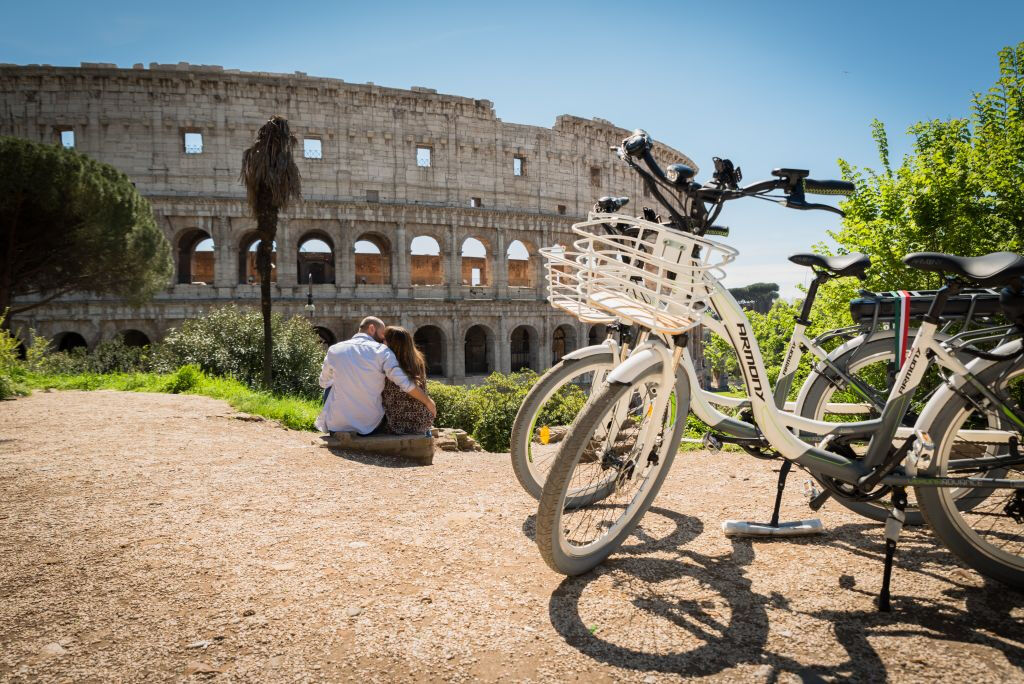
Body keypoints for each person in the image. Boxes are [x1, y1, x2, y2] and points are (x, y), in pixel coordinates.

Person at [315, 316, 436, 435]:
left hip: (336, 426)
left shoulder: (334, 349)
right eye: (382, 333)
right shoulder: (383, 351)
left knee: (331, 386)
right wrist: (428, 401)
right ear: (372, 328)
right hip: (370, 427)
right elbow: (404, 383)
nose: (383, 338)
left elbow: (323, 383)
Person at [380, 326, 435, 435]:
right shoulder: (417, 361)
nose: (382, 344)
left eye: (384, 340)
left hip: (395, 424)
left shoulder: (388, 364)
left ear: (391, 344)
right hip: (423, 421)